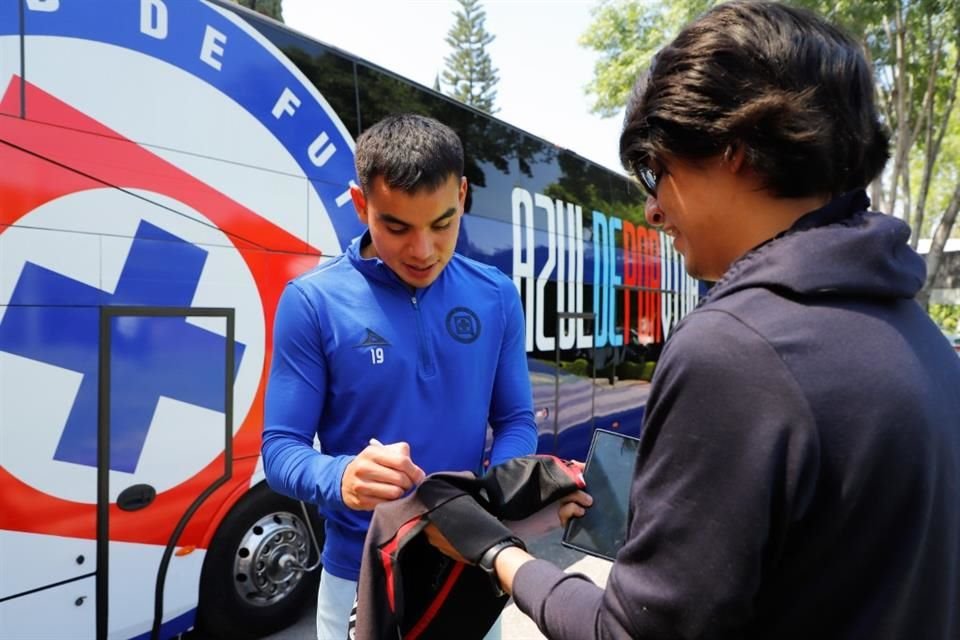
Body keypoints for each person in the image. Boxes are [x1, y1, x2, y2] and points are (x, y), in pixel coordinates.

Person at [425, 2, 960, 638]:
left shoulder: (736, 348)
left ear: (732, 149)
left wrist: (498, 553)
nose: (651, 210)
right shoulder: (915, 332)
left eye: (656, 172)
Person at [262, 113, 538, 639]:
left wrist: (494, 496)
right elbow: (280, 450)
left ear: (462, 194)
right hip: (359, 576)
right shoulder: (312, 301)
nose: (423, 251)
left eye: (443, 223)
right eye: (396, 226)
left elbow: (516, 420)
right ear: (360, 203)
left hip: (466, 568)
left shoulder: (496, 294)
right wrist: (341, 477)